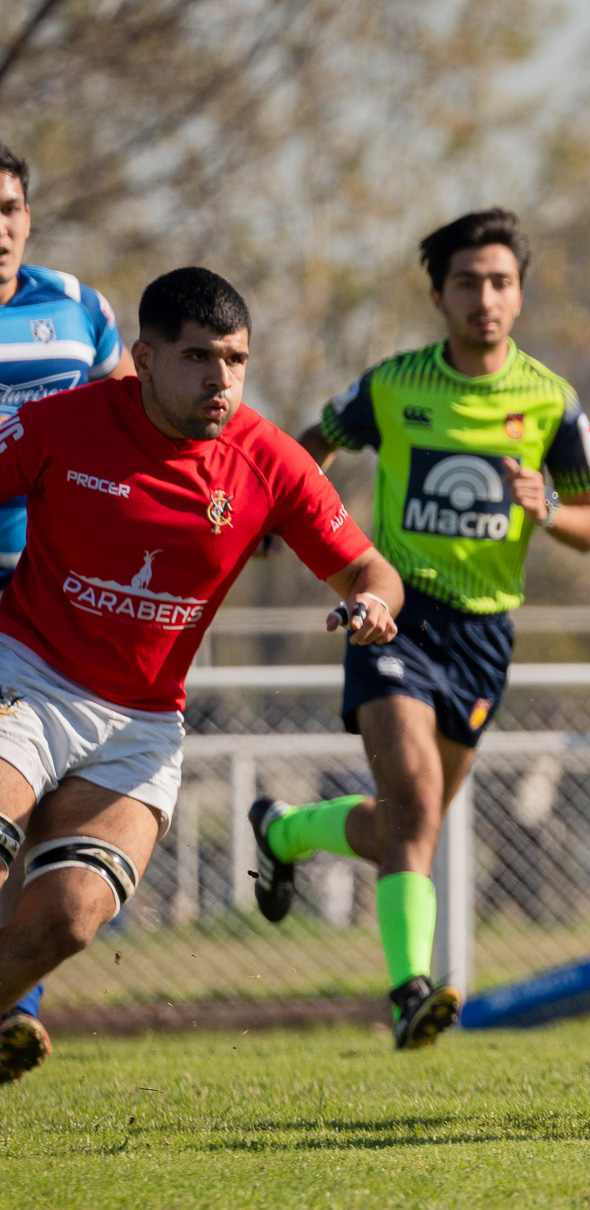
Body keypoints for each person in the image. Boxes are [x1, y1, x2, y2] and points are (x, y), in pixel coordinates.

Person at [0, 268, 400, 1083]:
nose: (221, 379)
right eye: (198, 357)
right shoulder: (58, 424)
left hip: (140, 726)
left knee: (70, 918)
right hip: (27, 678)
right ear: (144, 358)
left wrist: (372, 605)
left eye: (235, 359)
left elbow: (370, 568)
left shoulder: (269, 460)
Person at [251, 209, 590, 1050]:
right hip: (395, 616)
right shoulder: (394, 384)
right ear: (438, 296)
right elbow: (312, 446)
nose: (485, 298)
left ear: (519, 294)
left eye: (500, 282)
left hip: (485, 638)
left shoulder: (551, 399)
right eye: (467, 283)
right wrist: (278, 516)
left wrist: (548, 508)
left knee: (404, 827)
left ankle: (285, 831)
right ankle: (411, 992)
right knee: (413, 807)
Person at [0, 141, 138, 1078]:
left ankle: (17, 1000)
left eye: (9, 208)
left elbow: (129, 422)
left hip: (49, 596)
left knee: (36, 799)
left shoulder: (79, 307)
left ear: (29, 217)